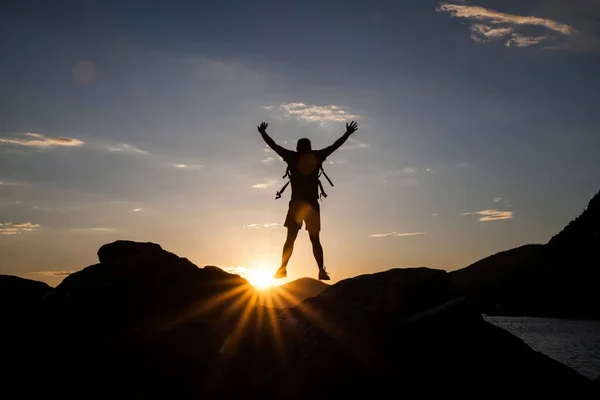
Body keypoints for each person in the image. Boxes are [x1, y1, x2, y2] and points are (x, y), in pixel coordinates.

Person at [257, 120, 359, 280]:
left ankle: (283, 268)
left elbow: (274, 146)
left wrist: (263, 133)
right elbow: (334, 146)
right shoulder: (317, 156)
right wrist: (347, 134)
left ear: (298, 147)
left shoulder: (292, 156)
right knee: (315, 240)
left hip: (297, 204)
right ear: (309, 147)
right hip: (311, 205)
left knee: (290, 238)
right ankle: (321, 270)